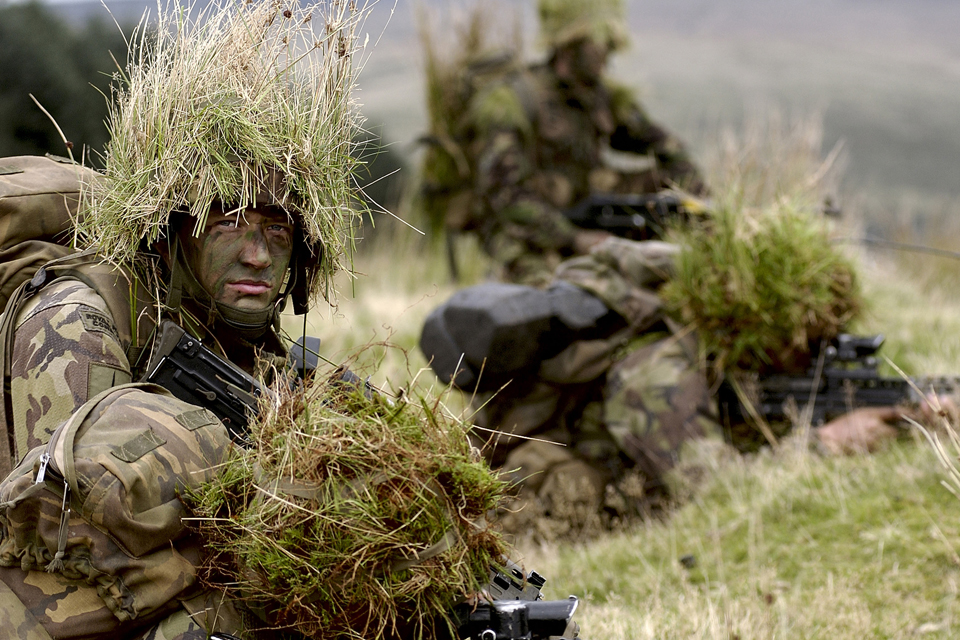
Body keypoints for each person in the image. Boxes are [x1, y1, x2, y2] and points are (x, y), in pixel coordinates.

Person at [0, 1, 361, 638]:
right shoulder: (75, 323)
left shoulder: (240, 341)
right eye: (228, 224)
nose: (257, 254)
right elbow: (66, 530)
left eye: (278, 230)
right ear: (172, 237)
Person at [419, 0, 706, 286]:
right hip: (527, 231)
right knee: (550, 295)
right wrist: (576, 240)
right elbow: (506, 197)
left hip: (588, 217)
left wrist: (687, 202)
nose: (610, 49)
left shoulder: (600, 97)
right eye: (600, 40)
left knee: (679, 197)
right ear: (571, 44)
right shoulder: (512, 102)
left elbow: (669, 150)